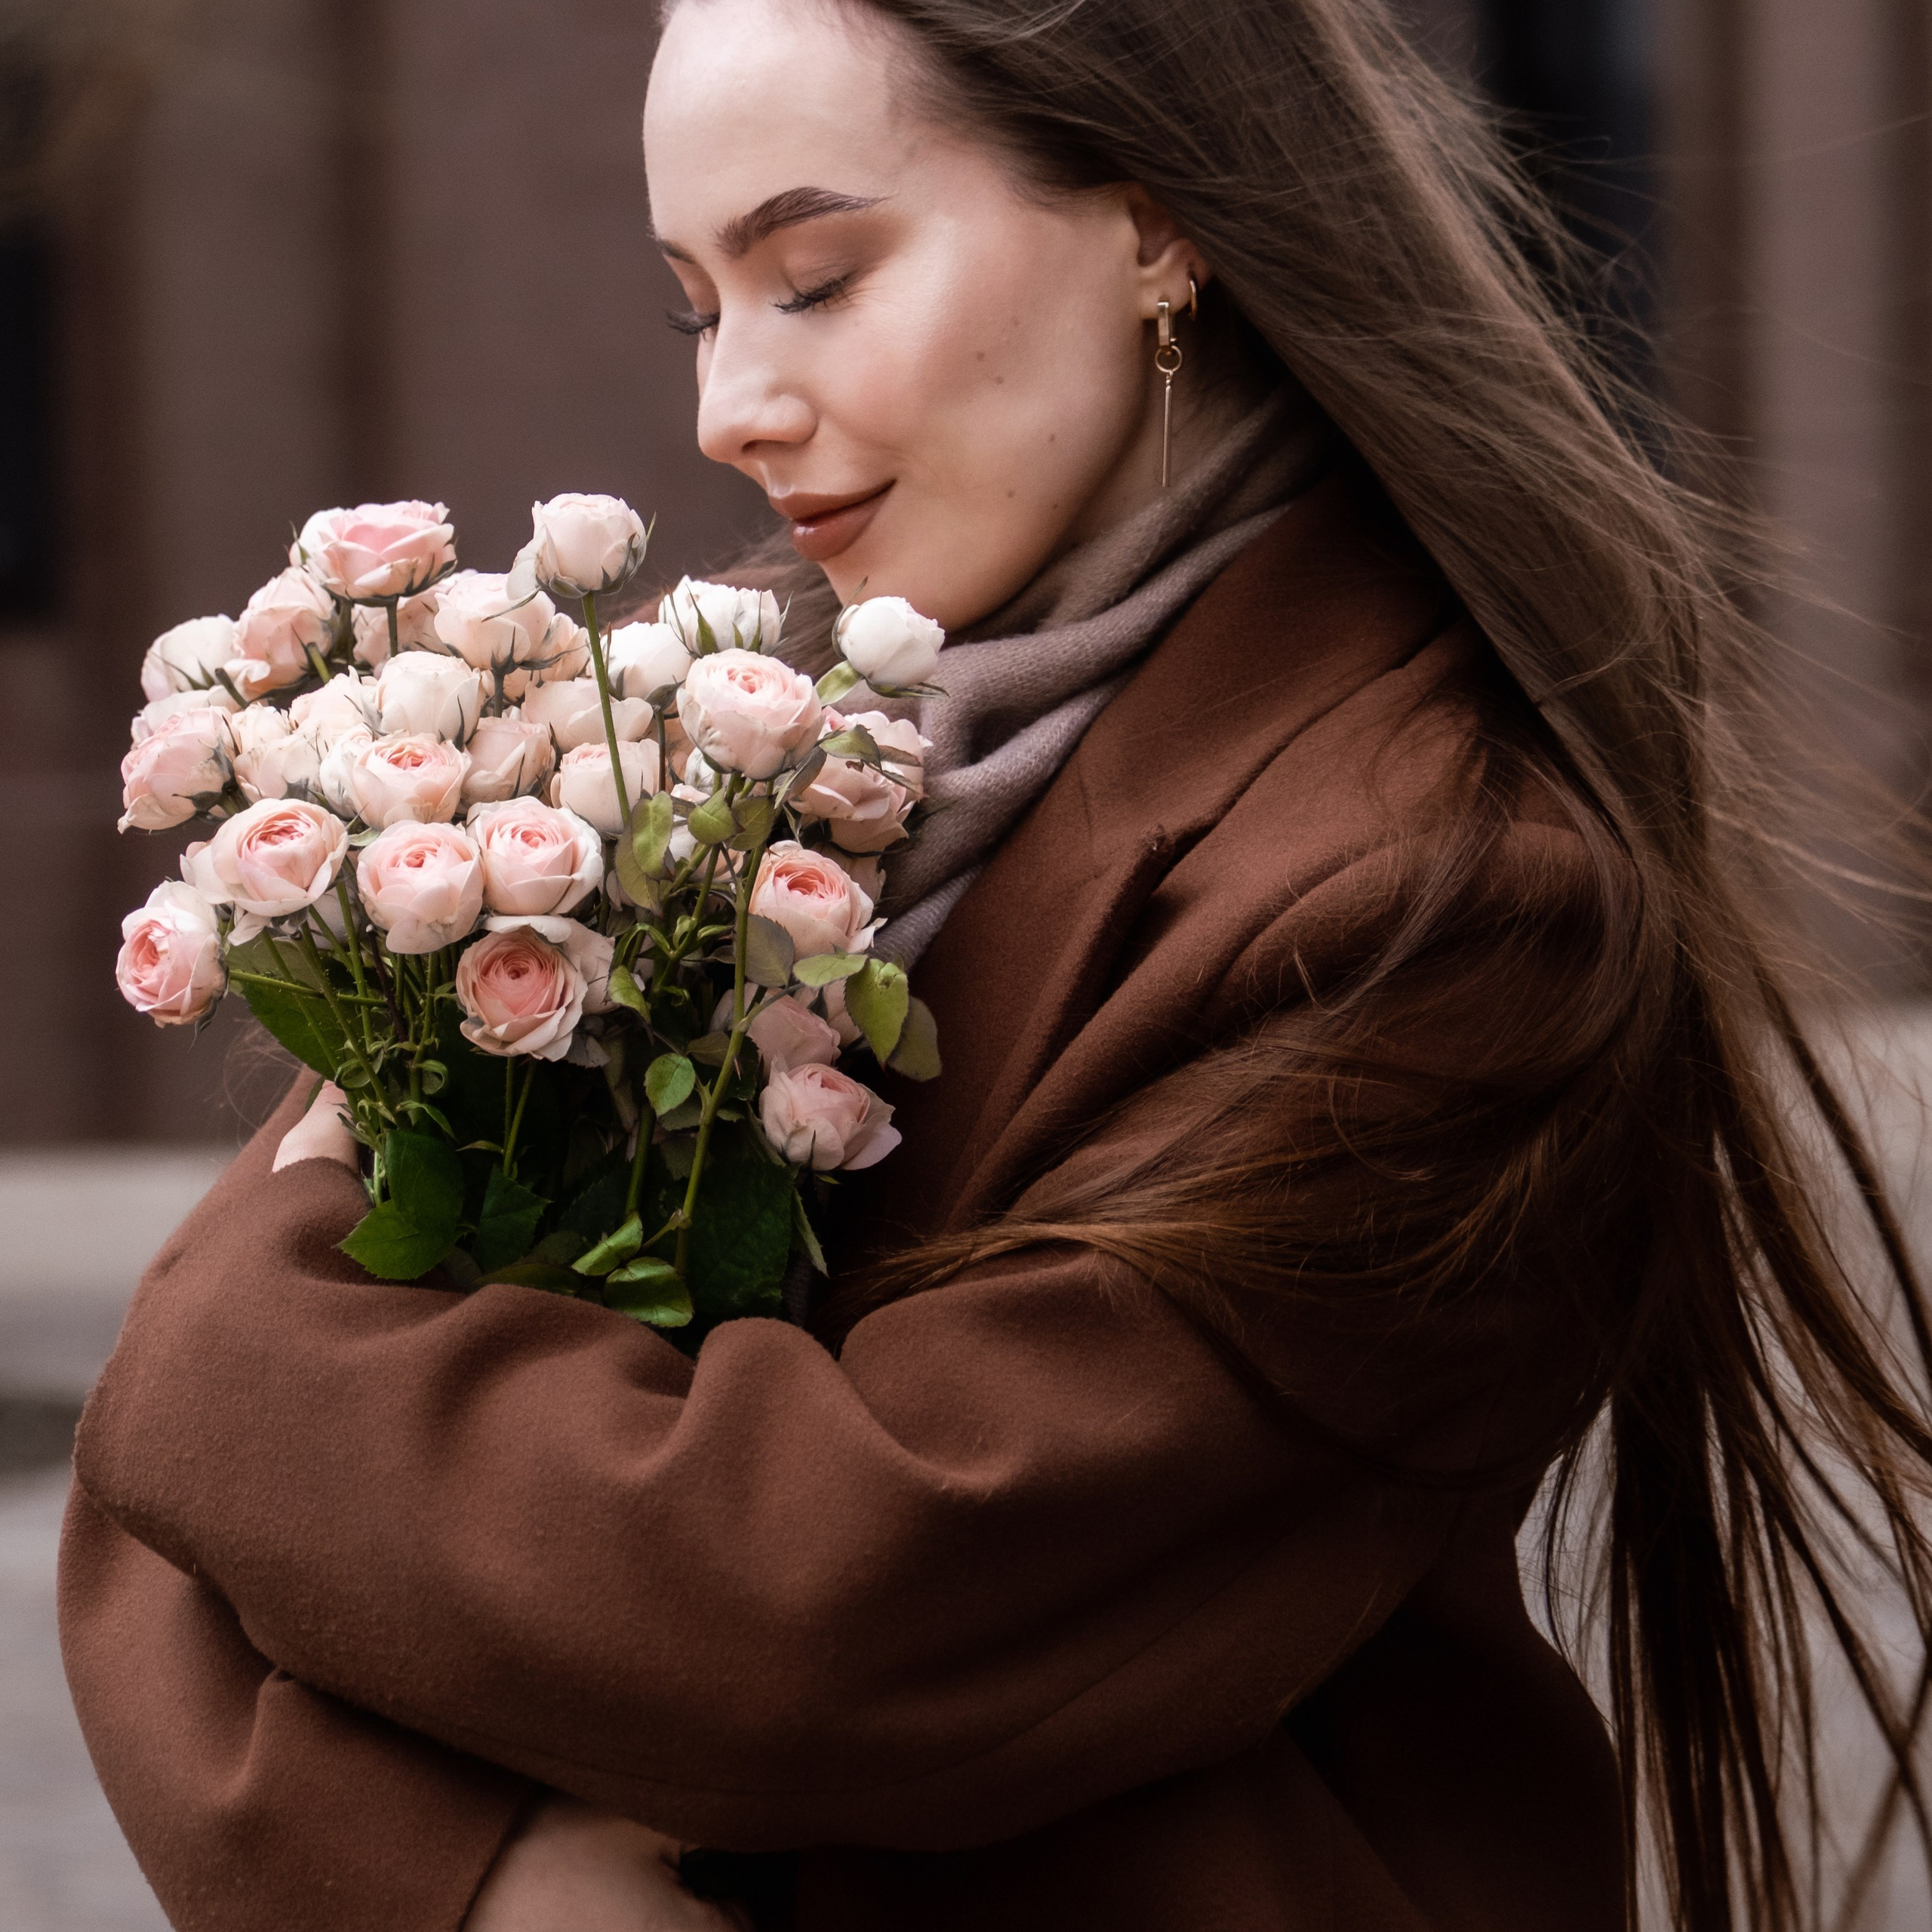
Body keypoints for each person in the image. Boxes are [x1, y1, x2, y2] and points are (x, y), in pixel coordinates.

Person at [58, 2, 1932, 1928]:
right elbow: (171, 1505)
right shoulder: (701, 751)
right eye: (699, 306)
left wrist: (254, 1356)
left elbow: (843, 1601)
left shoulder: (1446, 900)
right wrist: (462, 1878)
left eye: (816, 275)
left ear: (1156, 223)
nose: (728, 409)